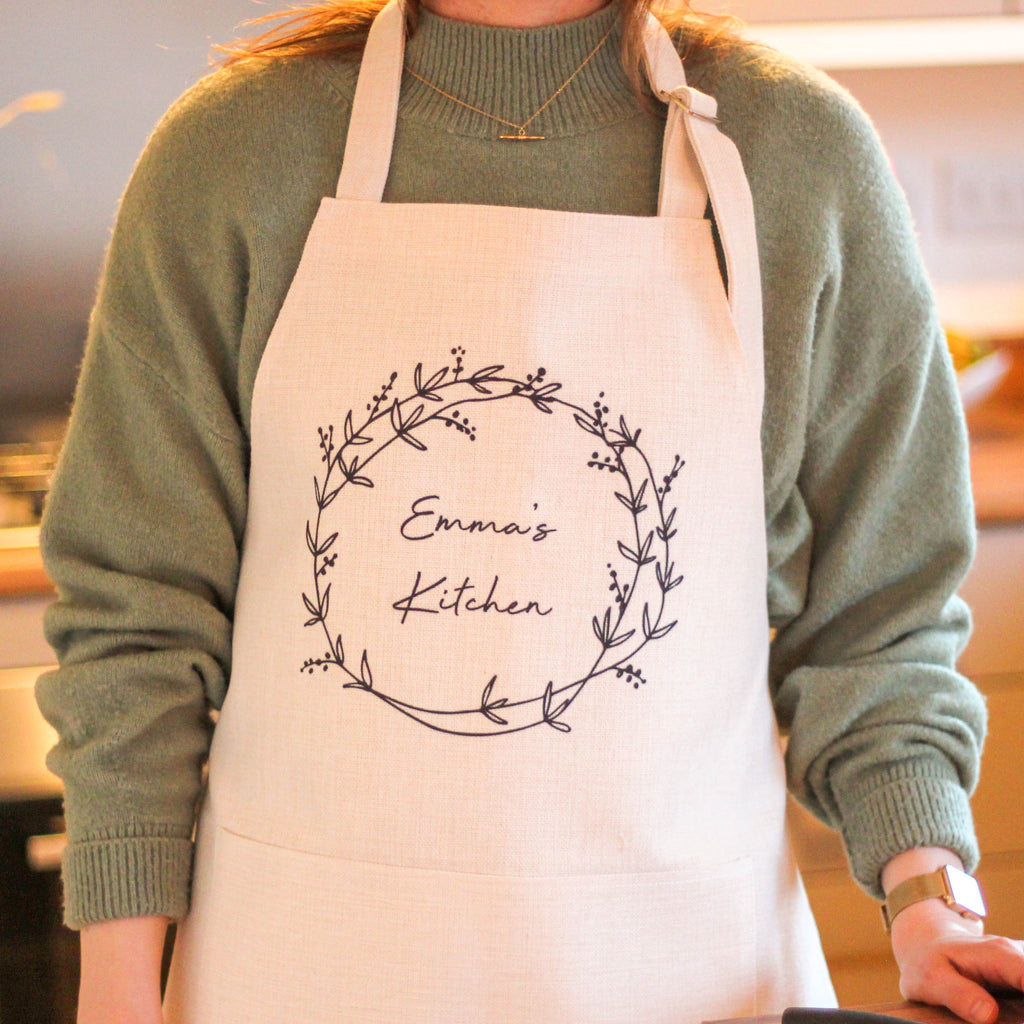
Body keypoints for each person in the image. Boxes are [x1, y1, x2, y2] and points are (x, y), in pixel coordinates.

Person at [35, 0, 1024, 1022]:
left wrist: (930, 901)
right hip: (294, 973)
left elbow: (880, 621)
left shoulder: (797, 156)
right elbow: (138, 616)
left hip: (688, 978)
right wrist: (118, 988)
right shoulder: (235, 150)